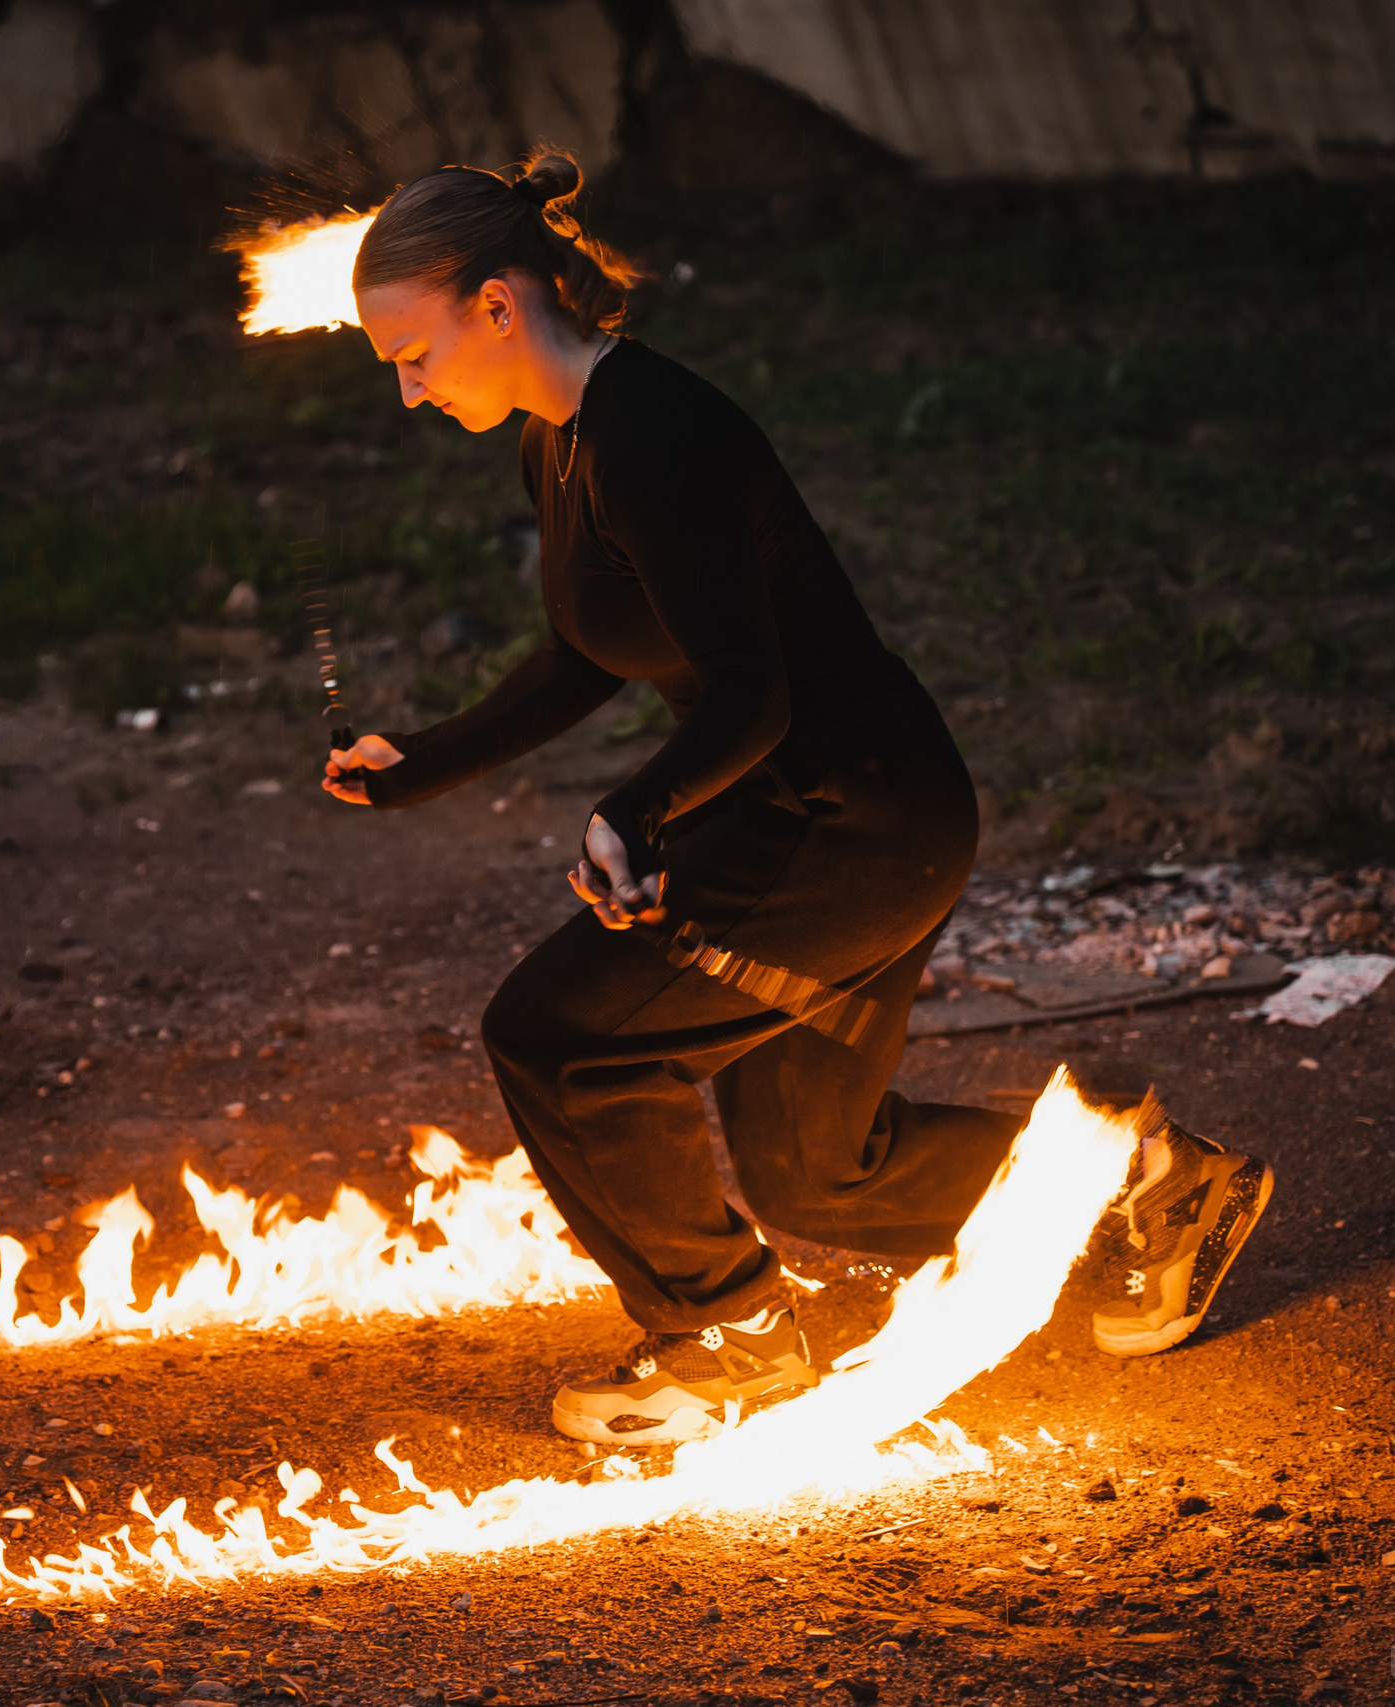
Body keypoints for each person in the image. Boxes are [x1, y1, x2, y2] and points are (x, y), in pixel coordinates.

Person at [321, 152, 1273, 1445]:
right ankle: (1154, 1182)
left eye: (412, 354)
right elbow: (593, 647)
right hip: (826, 812)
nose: (406, 389)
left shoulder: (654, 434)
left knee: (561, 1038)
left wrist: (637, 812)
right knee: (818, 1171)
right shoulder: (559, 442)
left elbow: (753, 695)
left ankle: (726, 1334)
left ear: (496, 304)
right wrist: (424, 762)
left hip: (850, 821)